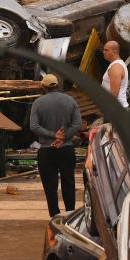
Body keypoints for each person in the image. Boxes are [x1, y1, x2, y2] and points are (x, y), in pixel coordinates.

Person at [30, 74, 82, 218]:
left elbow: (34, 126)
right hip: (66, 148)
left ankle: (54, 215)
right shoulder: (70, 100)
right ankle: (70, 213)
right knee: (68, 181)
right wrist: (63, 137)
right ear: (57, 85)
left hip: (47, 150)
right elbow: (77, 124)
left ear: (44, 87)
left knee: (50, 185)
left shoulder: (38, 103)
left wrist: (54, 135)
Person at [101, 41, 128, 108]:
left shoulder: (116, 67)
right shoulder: (115, 64)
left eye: (106, 50)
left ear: (114, 52)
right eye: (103, 50)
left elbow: (114, 95)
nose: (103, 52)